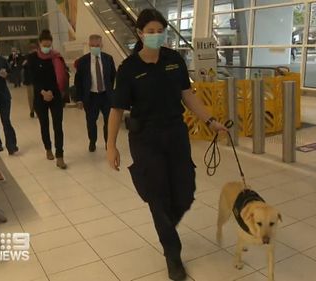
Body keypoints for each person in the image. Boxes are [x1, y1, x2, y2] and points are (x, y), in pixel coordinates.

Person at [106, 9, 227, 281]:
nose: (156, 35)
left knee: (186, 191)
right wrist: (110, 146)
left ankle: (165, 225)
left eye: (160, 30)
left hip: (175, 133)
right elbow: (116, 110)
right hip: (145, 139)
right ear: (139, 34)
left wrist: (211, 121)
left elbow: (187, 95)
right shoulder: (129, 69)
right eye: (150, 31)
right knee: (158, 195)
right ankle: (172, 254)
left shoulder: (174, 60)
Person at [27, 30, 68, 169]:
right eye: (44, 45)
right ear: (39, 43)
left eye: (49, 45)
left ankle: (60, 155)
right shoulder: (32, 58)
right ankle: (48, 148)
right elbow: (31, 78)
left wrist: (53, 91)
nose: (47, 47)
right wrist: (43, 92)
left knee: (58, 126)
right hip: (40, 97)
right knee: (44, 125)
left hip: (55, 96)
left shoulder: (56, 57)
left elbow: (62, 76)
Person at [74, 34, 116, 152]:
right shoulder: (82, 61)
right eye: (93, 46)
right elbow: (78, 81)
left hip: (106, 95)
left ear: (101, 45)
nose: (95, 47)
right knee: (91, 121)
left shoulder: (108, 59)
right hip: (91, 96)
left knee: (109, 121)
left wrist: (111, 92)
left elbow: (113, 76)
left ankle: (108, 143)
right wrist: (79, 99)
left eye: (97, 45)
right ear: (89, 45)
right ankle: (92, 141)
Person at [23, 43, 38, 117]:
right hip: (30, 80)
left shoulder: (38, 57)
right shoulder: (27, 57)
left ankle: (34, 110)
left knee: (32, 96)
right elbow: (24, 67)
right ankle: (32, 110)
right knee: (32, 96)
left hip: (34, 80)